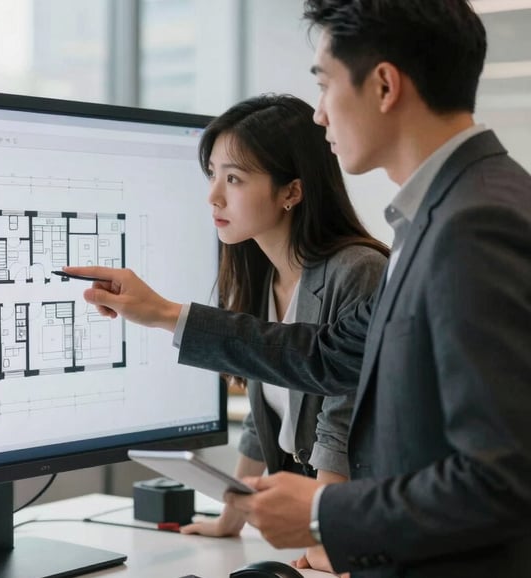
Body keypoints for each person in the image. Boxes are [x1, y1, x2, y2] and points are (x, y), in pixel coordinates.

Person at [64, 1, 531, 576]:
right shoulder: (441, 215)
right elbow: (327, 355)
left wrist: (323, 513)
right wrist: (163, 313)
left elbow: (502, 479)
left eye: (325, 84)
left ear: (384, 85)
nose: (319, 115)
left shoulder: (476, 223)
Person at [165, 94, 387, 574]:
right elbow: (262, 413)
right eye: (212, 174)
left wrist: (327, 536)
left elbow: (341, 416)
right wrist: (231, 516)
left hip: (363, 525)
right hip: (316, 522)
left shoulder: (358, 270)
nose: (213, 196)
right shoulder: (260, 275)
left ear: (292, 191)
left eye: (234, 179)